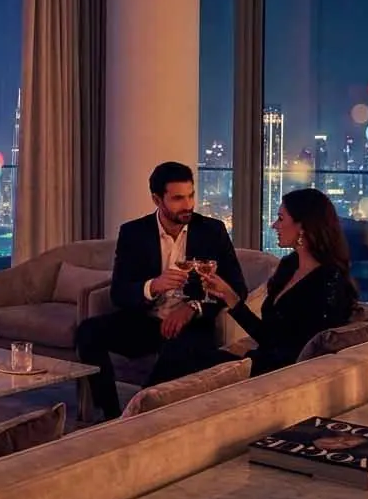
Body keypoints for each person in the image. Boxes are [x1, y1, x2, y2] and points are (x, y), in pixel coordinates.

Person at [75, 162, 247, 421]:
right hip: (146, 322)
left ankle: (136, 417)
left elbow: (237, 288)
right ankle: (109, 414)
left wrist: (193, 307)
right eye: (178, 198)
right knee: (87, 332)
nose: (188, 204)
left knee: (180, 350)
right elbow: (119, 293)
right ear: (157, 199)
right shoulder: (134, 233)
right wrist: (152, 286)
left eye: (190, 195)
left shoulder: (212, 231)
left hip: (192, 325)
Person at [197, 187, 360, 377]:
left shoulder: (329, 281)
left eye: (281, 219)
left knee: (189, 363)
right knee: (181, 357)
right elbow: (268, 335)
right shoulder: (289, 265)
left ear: (303, 227)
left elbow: (300, 351)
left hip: (276, 374)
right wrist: (230, 297)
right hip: (259, 360)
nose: (274, 225)